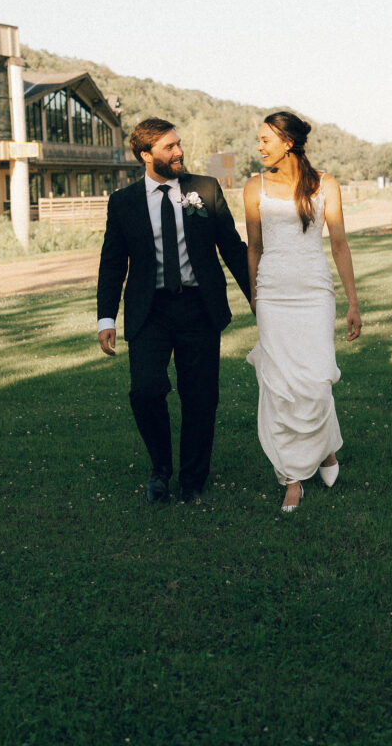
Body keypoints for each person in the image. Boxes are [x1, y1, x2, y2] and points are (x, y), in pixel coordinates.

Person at [97, 118, 251, 504]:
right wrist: (106, 318)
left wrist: (259, 300)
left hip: (199, 306)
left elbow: (232, 248)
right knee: (145, 390)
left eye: (178, 144)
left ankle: (192, 479)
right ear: (146, 155)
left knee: (200, 396)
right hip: (149, 311)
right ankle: (160, 469)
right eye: (169, 147)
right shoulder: (123, 202)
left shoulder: (205, 189)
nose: (179, 152)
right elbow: (112, 263)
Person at [244, 111, 362, 513]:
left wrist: (353, 302)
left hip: (314, 293)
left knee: (315, 380)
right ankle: (292, 478)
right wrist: (255, 297)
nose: (259, 146)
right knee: (280, 385)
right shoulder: (254, 187)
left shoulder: (325, 184)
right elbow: (254, 247)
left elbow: (339, 244)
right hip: (273, 295)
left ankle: (325, 448)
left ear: (287, 142)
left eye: (265, 139)